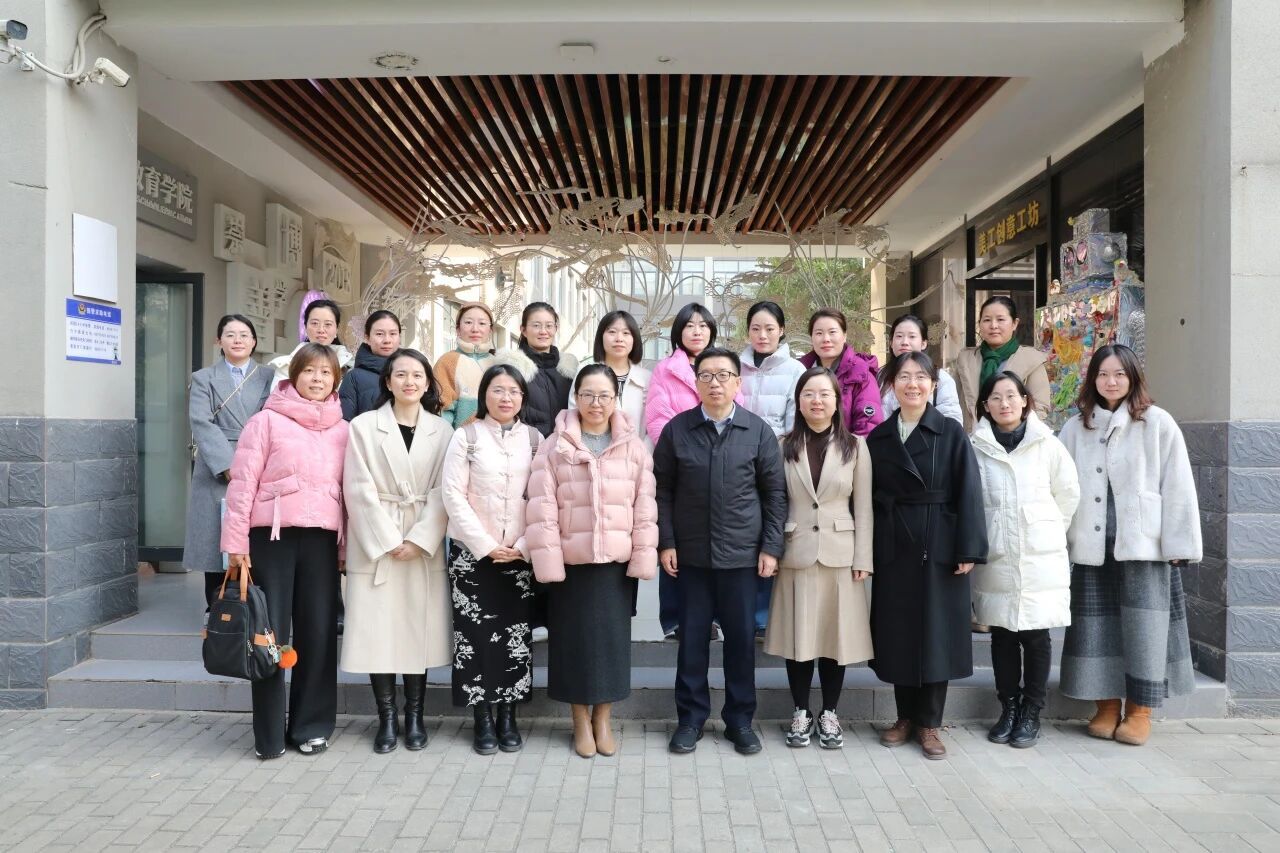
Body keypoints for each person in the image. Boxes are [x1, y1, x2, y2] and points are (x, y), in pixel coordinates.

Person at [1058, 344, 1200, 747]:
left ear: (1133, 377)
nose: (1111, 381)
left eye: (1120, 374)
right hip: (1092, 543)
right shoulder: (1076, 427)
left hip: (1144, 543)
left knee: (1145, 628)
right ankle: (1105, 706)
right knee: (1094, 627)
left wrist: (1179, 543)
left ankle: (1139, 711)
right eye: (1103, 374)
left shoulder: (1157, 422)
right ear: (1093, 379)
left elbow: (1178, 484)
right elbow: (1061, 489)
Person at [654, 347, 787, 757]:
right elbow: (662, 492)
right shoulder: (677, 430)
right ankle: (690, 720)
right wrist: (667, 542)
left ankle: (739, 721)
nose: (715, 383)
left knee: (741, 643)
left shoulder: (757, 431)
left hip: (742, 558)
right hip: (691, 557)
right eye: (707, 375)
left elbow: (775, 495)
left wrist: (771, 547)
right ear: (696, 383)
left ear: (737, 382)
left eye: (724, 375)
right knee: (692, 642)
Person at [221, 344, 349, 759]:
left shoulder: (344, 429)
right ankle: (269, 734)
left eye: (325, 372)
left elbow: (350, 495)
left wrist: (345, 547)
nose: (317, 379)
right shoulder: (266, 421)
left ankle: (312, 726)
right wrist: (236, 543)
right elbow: (242, 485)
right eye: (309, 371)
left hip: (322, 543)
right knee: (268, 635)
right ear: (294, 375)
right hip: (271, 539)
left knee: (318, 634)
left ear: (336, 380)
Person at [526, 364, 658, 758]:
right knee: (573, 643)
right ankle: (579, 719)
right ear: (576, 397)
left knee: (612, 645)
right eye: (588, 395)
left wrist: (643, 556)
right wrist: (549, 562)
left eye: (604, 396)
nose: (596, 403)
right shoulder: (555, 445)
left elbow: (645, 507)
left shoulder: (633, 447)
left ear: (616, 399)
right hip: (571, 564)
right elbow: (542, 507)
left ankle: (603, 717)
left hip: (615, 565)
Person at [866, 351, 987, 760]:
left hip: (940, 543)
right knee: (899, 630)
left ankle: (930, 723)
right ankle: (904, 716)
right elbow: (868, 497)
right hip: (894, 542)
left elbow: (969, 491)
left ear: (934, 385)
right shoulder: (880, 437)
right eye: (904, 377)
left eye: (921, 377)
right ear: (892, 385)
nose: (912, 384)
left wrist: (969, 547)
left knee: (936, 632)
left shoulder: (950, 432)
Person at [341, 349, 453, 754]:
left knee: (414, 631)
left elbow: (445, 491)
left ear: (427, 383)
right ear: (387, 381)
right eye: (401, 374)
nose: (409, 382)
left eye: (417, 375)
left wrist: (419, 539)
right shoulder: (363, 426)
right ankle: (387, 717)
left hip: (422, 543)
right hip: (377, 544)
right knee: (380, 632)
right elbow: (357, 488)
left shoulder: (442, 430)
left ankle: (416, 716)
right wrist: (388, 540)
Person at [765, 366, 874, 749]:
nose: (817, 401)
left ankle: (829, 712)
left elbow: (864, 507)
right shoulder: (782, 445)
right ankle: (800, 711)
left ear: (837, 401)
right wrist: (771, 549)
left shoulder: (855, 446)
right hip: (795, 552)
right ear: (798, 401)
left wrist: (863, 558)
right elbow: (774, 503)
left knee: (834, 637)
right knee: (798, 637)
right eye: (809, 394)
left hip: (841, 555)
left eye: (825, 394)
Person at [970, 371, 1080, 749]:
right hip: (997, 554)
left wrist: (1047, 530)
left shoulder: (1047, 444)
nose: (1004, 404)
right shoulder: (976, 447)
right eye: (996, 398)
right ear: (985, 406)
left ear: (1025, 401)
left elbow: (1068, 494)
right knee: (1002, 634)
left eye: (1011, 396)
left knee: (1035, 636)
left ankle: (1032, 710)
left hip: (1039, 555)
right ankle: (1009, 707)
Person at [440, 363, 541, 754]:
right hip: (472, 555)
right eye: (498, 390)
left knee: (516, 638)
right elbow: (453, 495)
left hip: (518, 555)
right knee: (475, 638)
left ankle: (508, 717)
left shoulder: (534, 439)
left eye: (514, 391)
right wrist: (484, 544)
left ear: (523, 398)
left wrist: (523, 544)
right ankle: (482, 718)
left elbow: (542, 497)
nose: (506, 398)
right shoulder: (465, 436)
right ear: (484, 395)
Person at [645, 303, 745, 640]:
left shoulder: (726, 364)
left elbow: (738, 408)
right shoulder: (665, 369)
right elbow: (658, 417)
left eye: (703, 325)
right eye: (689, 325)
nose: (697, 331)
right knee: (675, 541)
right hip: (682, 462)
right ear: (679, 332)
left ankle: (713, 617)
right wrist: (686, 449)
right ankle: (675, 619)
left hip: (723, 463)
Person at [184, 315, 273, 610]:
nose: (238, 340)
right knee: (216, 541)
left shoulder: (269, 376)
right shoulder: (203, 377)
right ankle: (217, 609)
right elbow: (201, 421)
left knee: (256, 537)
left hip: (260, 459)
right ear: (218, 340)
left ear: (254, 342)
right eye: (230, 334)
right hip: (217, 465)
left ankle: (255, 609)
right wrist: (227, 466)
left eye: (244, 335)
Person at [739, 301, 807, 638]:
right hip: (736, 465)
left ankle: (765, 617)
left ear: (781, 331)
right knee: (743, 535)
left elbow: (795, 422)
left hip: (774, 464)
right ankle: (740, 613)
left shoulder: (795, 370)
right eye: (756, 328)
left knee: (771, 533)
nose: (762, 335)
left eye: (769, 328)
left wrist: (771, 453)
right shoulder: (735, 367)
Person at [953, 295, 1050, 433]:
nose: (993, 326)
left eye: (1000, 319)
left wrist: (1016, 436)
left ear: (1014, 323)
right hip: (971, 437)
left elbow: (1040, 408)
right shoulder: (966, 359)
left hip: (1014, 439)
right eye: (987, 320)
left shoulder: (1031, 360)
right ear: (979, 324)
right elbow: (953, 402)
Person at [567, 310, 652, 446]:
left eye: (626, 333)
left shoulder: (647, 378)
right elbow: (574, 415)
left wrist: (642, 453)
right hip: (592, 452)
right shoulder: (586, 372)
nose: (619, 338)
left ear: (634, 339)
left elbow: (651, 426)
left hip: (636, 454)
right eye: (612, 332)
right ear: (601, 336)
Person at [800, 309, 883, 436]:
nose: (826, 339)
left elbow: (869, 426)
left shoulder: (861, 373)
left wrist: (844, 448)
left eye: (832, 332)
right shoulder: (800, 370)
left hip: (847, 447)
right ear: (811, 337)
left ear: (844, 336)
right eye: (819, 333)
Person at [505, 301, 577, 437]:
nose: (543, 331)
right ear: (523, 330)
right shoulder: (511, 368)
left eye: (549, 326)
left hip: (564, 445)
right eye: (536, 325)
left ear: (556, 329)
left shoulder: (569, 369)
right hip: (525, 444)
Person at [880, 314, 963, 426]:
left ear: (924, 343)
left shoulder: (940, 377)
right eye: (899, 336)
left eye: (912, 336)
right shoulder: (879, 376)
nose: (904, 342)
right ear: (890, 342)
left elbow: (952, 423)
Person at [436, 302, 495, 428]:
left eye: (482, 323)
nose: (475, 329)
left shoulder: (498, 363)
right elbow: (442, 410)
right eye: (468, 322)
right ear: (458, 329)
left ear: (490, 330)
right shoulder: (447, 361)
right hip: (460, 437)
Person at [270, 297, 355, 381]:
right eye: (315, 323)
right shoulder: (287, 366)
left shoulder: (350, 367)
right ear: (305, 327)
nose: (321, 330)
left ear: (337, 329)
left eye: (328, 324)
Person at [340, 309, 402, 421]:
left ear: (399, 337)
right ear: (367, 338)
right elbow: (346, 423)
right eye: (379, 334)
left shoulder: (414, 371)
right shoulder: (353, 378)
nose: (387, 340)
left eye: (393, 334)